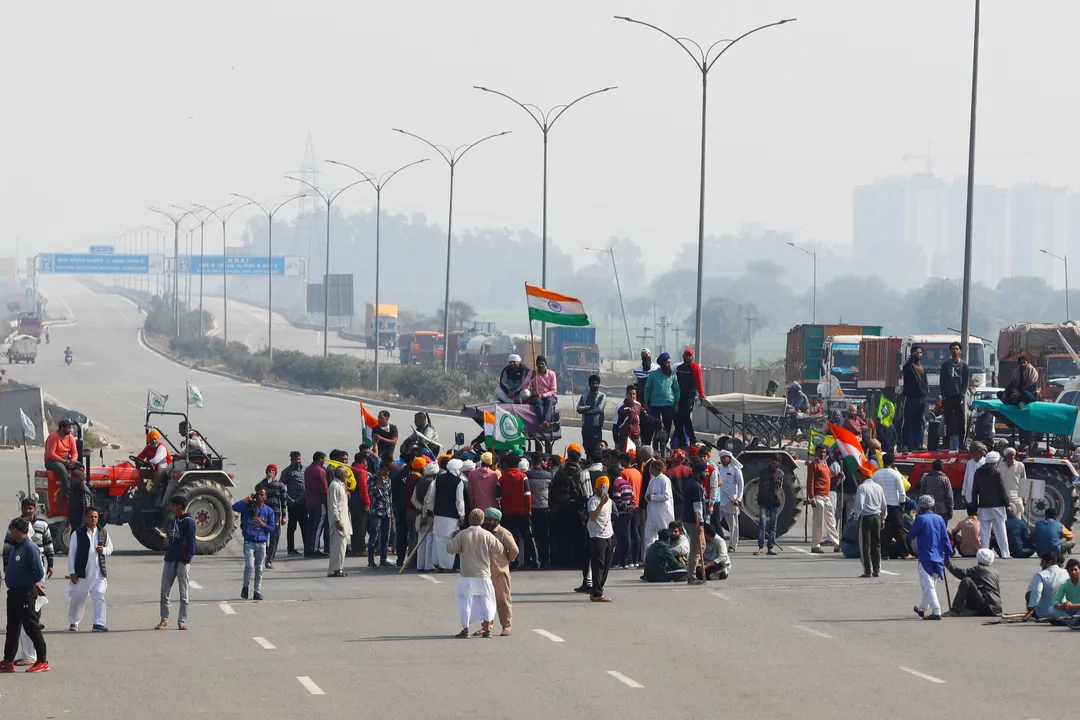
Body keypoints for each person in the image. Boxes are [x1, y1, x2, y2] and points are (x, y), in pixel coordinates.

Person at [2, 498, 53, 666]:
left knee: (31, 626)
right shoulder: (17, 545)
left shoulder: (30, 547)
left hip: (26, 592)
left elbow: (38, 571)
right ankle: (8, 660)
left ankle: (41, 660)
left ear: (20, 530)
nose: (10, 532)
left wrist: (34, 583)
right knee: (12, 628)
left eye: (12, 529)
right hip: (14, 592)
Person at [445, 509, 505, 639]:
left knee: (465, 602)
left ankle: (465, 629)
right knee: (487, 601)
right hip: (483, 574)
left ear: (469, 519)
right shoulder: (487, 535)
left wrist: (452, 537)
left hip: (467, 575)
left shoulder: (463, 534)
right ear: (482, 521)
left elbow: (450, 549)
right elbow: (499, 549)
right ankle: (488, 629)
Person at [67, 507, 112, 632]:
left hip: (98, 573)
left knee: (99, 596)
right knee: (78, 599)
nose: (93, 519)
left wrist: (104, 550)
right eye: (91, 516)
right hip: (82, 573)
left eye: (95, 517)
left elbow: (110, 548)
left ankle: (98, 623)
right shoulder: (78, 533)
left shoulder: (103, 532)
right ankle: (74, 621)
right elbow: (72, 553)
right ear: (85, 518)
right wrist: (72, 572)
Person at [908, 495, 952, 620]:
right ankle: (922, 608)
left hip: (926, 556)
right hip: (939, 556)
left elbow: (911, 535)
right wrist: (948, 553)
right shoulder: (939, 519)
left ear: (920, 507)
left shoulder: (920, 519)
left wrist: (912, 519)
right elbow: (945, 538)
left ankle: (936, 610)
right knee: (931, 583)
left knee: (927, 585)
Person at [158, 495, 195, 630]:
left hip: (182, 561)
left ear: (179, 507)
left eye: (173, 505)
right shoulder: (173, 519)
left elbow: (191, 542)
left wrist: (187, 558)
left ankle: (182, 620)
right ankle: (164, 618)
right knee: (164, 591)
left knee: (183, 593)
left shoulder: (188, 522)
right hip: (170, 559)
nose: (171, 508)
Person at [232, 487, 274, 599]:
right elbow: (234, 507)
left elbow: (272, 528)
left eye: (262, 495)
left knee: (259, 568)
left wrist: (262, 524)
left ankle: (257, 591)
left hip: (262, 542)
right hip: (249, 542)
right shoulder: (249, 507)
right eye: (258, 495)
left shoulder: (268, 511)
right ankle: (245, 587)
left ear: (265, 497)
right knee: (249, 565)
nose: (259, 497)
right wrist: (245, 500)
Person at [550, 446, 587, 569]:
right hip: (577, 507)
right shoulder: (582, 472)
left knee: (562, 535)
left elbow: (553, 490)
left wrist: (552, 505)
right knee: (577, 535)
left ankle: (561, 559)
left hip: (562, 507)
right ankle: (577, 559)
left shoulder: (561, 472)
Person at [426, 459, 466, 572]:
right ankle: (447, 565)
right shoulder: (458, 482)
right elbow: (459, 501)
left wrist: (432, 509)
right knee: (449, 539)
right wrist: (462, 515)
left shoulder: (439, 478)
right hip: (452, 515)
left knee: (438, 539)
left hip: (438, 514)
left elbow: (432, 496)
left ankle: (438, 563)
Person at [482, 508, 518, 636]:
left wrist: (506, 561)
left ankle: (506, 625)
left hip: (500, 572)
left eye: (490, 519)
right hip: (485, 572)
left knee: (503, 600)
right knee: (485, 600)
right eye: (486, 519)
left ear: (497, 520)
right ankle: (486, 625)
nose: (488, 522)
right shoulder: (483, 532)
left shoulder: (503, 533)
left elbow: (514, 549)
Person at [972, 450, 1010, 559]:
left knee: (984, 531)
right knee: (1000, 530)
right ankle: (1005, 553)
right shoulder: (997, 472)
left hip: (983, 505)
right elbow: (1002, 490)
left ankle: (984, 554)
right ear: (995, 462)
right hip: (997, 506)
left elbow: (974, 491)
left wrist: (974, 506)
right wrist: (1007, 504)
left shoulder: (978, 472)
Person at [497, 454, 532, 571]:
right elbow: (527, 495)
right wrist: (528, 510)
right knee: (526, 537)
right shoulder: (523, 476)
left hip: (507, 512)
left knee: (510, 538)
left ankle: (513, 561)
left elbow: (498, 497)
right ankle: (529, 560)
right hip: (522, 512)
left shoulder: (502, 479)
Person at [945, 548, 1003, 617]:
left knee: (966, 581)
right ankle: (971, 609)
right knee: (974, 585)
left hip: (988, 605)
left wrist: (948, 564)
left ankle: (955, 610)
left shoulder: (978, 570)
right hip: (997, 606)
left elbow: (960, 573)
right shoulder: (995, 572)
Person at [873, 453, 910, 560]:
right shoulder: (895, 474)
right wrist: (902, 504)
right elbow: (902, 492)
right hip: (894, 506)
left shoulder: (876, 474)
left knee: (883, 530)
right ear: (893, 462)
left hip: (880, 506)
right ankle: (905, 553)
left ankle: (884, 553)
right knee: (899, 530)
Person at [586, 476, 616, 602]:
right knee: (598, 565)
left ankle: (599, 589)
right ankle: (596, 592)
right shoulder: (593, 501)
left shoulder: (609, 501)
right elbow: (592, 516)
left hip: (609, 535)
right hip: (597, 536)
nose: (603, 489)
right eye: (601, 487)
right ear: (596, 488)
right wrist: (601, 503)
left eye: (605, 487)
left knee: (606, 565)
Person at [643, 352, 680, 452]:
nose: (669, 365)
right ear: (662, 363)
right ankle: (655, 446)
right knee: (654, 424)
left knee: (667, 426)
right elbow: (647, 389)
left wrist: (676, 403)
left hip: (669, 404)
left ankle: (664, 444)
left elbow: (677, 389)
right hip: (655, 404)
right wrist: (646, 403)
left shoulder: (672, 375)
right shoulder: (653, 375)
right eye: (667, 363)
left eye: (670, 363)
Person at [854, 466, 886, 578]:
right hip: (877, 517)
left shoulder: (862, 487)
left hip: (866, 518)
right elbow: (883, 504)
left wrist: (856, 517)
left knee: (865, 545)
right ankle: (876, 570)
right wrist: (883, 518)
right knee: (876, 544)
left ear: (863, 476)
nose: (857, 478)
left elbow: (859, 504)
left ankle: (867, 571)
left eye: (858, 476)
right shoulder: (878, 487)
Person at [807, 444, 840, 553]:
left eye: (824, 452)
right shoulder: (814, 464)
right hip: (818, 496)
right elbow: (810, 482)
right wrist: (811, 497)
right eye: (821, 452)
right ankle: (815, 545)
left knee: (831, 520)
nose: (823, 454)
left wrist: (837, 477)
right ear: (816, 452)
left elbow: (828, 478)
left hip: (827, 496)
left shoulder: (825, 464)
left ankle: (836, 543)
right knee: (818, 522)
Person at [939, 341, 970, 451]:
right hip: (948, 397)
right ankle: (946, 443)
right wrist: (943, 395)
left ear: (960, 351)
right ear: (950, 351)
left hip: (958, 397)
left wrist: (961, 395)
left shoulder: (964, 366)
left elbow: (966, 382)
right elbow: (942, 381)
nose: (955, 351)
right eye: (953, 349)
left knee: (961, 421)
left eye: (957, 349)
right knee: (947, 421)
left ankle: (961, 443)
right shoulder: (945, 365)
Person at [255, 464, 287, 568]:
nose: (271, 472)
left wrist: (284, 516)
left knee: (274, 537)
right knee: (262, 536)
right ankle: (265, 552)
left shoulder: (280, 485)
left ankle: (269, 560)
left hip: (276, 513)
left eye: (273, 470)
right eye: (269, 470)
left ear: (275, 473)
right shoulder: (262, 484)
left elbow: (283, 501)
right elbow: (257, 491)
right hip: (264, 514)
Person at [673, 348, 704, 448]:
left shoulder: (695, 367)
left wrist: (701, 394)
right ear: (683, 356)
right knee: (677, 418)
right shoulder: (679, 368)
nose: (688, 357)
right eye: (686, 355)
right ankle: (682, 441)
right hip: (678, 396)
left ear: (692, 357)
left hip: (689, 396)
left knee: (685, 416)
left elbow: (699, 381)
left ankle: (692, 439)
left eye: (689, 355)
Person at [526, 453, 553, 569]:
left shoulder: (527, 475)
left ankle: (533, 559)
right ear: (542, 461)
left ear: (531, 462)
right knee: (544, 535)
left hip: (531, 508)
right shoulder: (548, 475)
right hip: (544, 507)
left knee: (531, 535)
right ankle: (545, 560)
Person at [714, 451, 744, 550]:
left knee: (733, 526)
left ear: (730, 458)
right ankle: (715, 544)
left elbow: (740, 485)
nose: (722, 460)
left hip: (731, 501)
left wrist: (738, 499)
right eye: (721, 458)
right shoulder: (719, 468)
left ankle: (732, 545)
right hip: (719, 500)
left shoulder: (736, 469)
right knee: (715, 523)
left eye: (724, 458)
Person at [1025, 553, 1069, 620]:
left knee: (1029, 594)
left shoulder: (1040, 574)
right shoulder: (1066, 572)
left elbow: (1037, 592)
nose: (1040, 564)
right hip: (1062, 611)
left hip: (1043, 613)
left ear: (1049, 563)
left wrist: (1031, 608)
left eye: (1042, 562)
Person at [901, 346, 929, 451]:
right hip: (911, 398)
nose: (919, 354)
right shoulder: (909, 366)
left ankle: (918, 444)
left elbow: (925, 381)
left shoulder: (921, 367)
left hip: (921, 398)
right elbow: (906, 369)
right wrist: (911, 358)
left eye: (921, 352)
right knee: (908, 421)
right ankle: (906, 444)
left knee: (919, 422)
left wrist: (926, 392)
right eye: (917, 352)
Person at [755, 457, 785, 556]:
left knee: (773, 525)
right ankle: (760, 547)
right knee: (762, 525)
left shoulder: (780, 474)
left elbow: (780, 488)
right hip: (764, 501)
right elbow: (759, 484)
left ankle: (770, 547)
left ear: (779, 463)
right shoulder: (763, 472)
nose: (774, 462)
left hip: (775, 501)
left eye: (776, 461)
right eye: (773, 461)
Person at [413, 462, 439, 571]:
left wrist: (420, 509)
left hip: (419, 514)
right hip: (427, 516)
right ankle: (428, 565)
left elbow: (413, 499)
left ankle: (420, 565)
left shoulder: (419, 482)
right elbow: (427, 501)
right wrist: (425, 513)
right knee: (429, 541)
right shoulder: (432, 483)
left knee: (421, 541)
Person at [683, 468, 707, 585]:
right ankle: (691, 576)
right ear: (699, 473)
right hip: (694, 521)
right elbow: (697, 507)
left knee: (701, 546)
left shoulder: (692, 484)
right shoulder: (696, 486)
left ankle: (693, 571)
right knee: (696, 548)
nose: (707, 473)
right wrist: (700, 524)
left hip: (690, 520)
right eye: (705, 471)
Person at [326, 466, 351, 577]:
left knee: (342, 548)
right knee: (337, 547)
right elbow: (333, 505)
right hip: (338, 521)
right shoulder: (334, 486)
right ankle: (333, 570)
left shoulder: (341, 485)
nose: (347, 476)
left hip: (344, 519)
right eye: (345, 474)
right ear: (341, 475)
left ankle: (339, 568)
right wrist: (337, 520)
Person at [281, 451, 307, 556]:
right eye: (296, 459)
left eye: (299, 459)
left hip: (304, 503)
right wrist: (289, 499)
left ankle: (307, 548)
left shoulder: (305, 470)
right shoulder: (287, 472)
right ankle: (291, 549)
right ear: (291, 460)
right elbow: (281, 488)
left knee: (305, 527)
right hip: (293, 503)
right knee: (292, 527)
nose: (298, 461)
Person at [304, 452, 329, 557]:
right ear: (321, 459)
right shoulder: (320, 471)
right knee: (318, 526)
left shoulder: (308, 469)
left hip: (310, 501)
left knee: (311, 525)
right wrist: (327, 502)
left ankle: (309, 547)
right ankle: (315, 549)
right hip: (319, 502)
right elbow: (324, 488)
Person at [367, 464, 392, 567]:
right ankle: (371, 560)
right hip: (377, 511)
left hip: (387, 511)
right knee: (374, 536)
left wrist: (392, 511)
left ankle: (384, 559)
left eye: (388, 471)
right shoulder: (373, 479)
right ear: (380, 469)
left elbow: (389, 496)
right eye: (385, 470)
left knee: (385, 537)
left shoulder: (388, 480)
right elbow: (372, 492)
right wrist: (378, 484)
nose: (386, 473)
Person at [44, 418, 79, 490]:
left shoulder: (70, 437)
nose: (70, 430)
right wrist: (64, 462)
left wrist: (73, 460)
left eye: (70, 428)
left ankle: (79, 488)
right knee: (62, 468)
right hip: (52, 461)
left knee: (80, 466)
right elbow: (51, 454)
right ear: (62, 428)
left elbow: (74, 452)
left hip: (66, 459)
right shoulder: (53, 437)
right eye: (68, 428)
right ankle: (68, 491)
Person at [577, 375, 606, 457]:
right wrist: (588, 407)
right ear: (589, 384)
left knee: (596, 448)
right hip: (586, 426)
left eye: (597, 384)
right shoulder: (584, 396)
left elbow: (599, 409)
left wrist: (586, 411)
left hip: (596, 427)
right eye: (593, 384)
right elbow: (579, 408)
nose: (595, 385)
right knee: (587, 448)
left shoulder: (602, 396)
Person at [632, 349, 658, 444]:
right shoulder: (637, 369)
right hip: (641, 401)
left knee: (654, 420)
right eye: (643, 355)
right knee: (643, 422)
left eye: (647, 354)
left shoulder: (656, 369)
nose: (645, 356)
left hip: (654, 401)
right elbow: (635, 385)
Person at [523, 355, 558, 423]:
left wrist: (542, 395)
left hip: (548, 396)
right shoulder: (532, 373)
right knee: (538, 402)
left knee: (549, 401)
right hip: (536, 397)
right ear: (536, 364)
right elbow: (524, 386)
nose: (541, 365)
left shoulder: (552, 374)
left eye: (542, 363)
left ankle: (546, 421)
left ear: (545, 364)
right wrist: (531, 377)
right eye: (539, 364)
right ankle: (543, 422)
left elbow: (554, 391)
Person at [467, 452, 501, 517]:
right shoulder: (494, 474)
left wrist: (472, 506)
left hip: (477, 508)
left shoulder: (472, 473)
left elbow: (470, 493)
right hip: (492, 509)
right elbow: (496, 492)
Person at [613, 385, 642, 454]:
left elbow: (646, 417)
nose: (632, 396)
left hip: (635, 437)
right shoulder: (620, 407)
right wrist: (616, 441)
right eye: (630, 394)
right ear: (626, 394)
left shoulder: (638, 405)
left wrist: (658, 422)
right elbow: (615, 425)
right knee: (623, 457)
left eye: (633, 394)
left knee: (637, 456)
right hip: (623, 437)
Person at [999, 447, 1027, 518]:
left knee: (1017, 519)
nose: (1012, 457)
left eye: (1013, 455)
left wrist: (1025, 498)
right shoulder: (1000, 466)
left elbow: (1023, 481)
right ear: (1006, 456)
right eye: (1010, 455)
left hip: (1016, 497)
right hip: (1003, 498)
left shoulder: (1020, 465)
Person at [65, 466, 94, 533]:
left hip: (81, 527)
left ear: (79, 479)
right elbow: (72, 506)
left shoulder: (84, 491)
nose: (70, 478)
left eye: (72, 477)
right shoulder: (74, 488)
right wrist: (69, 520)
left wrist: (83, 526)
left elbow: (87, 510)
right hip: (75, 525)